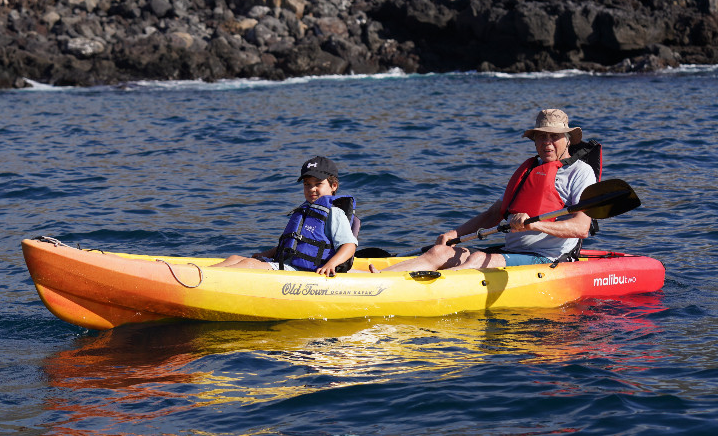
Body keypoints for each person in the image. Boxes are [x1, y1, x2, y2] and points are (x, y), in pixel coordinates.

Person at [370, 108, 597, 273]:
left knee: (478, 258)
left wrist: (535, 224)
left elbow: (581, 227)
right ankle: (379, 279)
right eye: (541, 136)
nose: (547, 142)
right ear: (535, 140)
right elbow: (493, 214)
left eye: (554, 136)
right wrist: (454, 235)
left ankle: (420, 291)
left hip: (548, 258)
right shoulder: (529, 170)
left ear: (567, 140)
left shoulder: (581, 173)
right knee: (439, 252)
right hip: (511, 253)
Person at [210, 156, 359, 276]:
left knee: (249, 265)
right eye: (307, 184)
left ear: (334, 186)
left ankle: (205, 279)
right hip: (288, 264)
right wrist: (265, 254)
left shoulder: (334, 213)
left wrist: (330, 264)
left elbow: (349, 246)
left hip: (307, 272)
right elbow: (292, 244)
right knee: (235, 259)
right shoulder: (306, 209)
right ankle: (200, 273)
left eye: (318, 183)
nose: (312, 188)